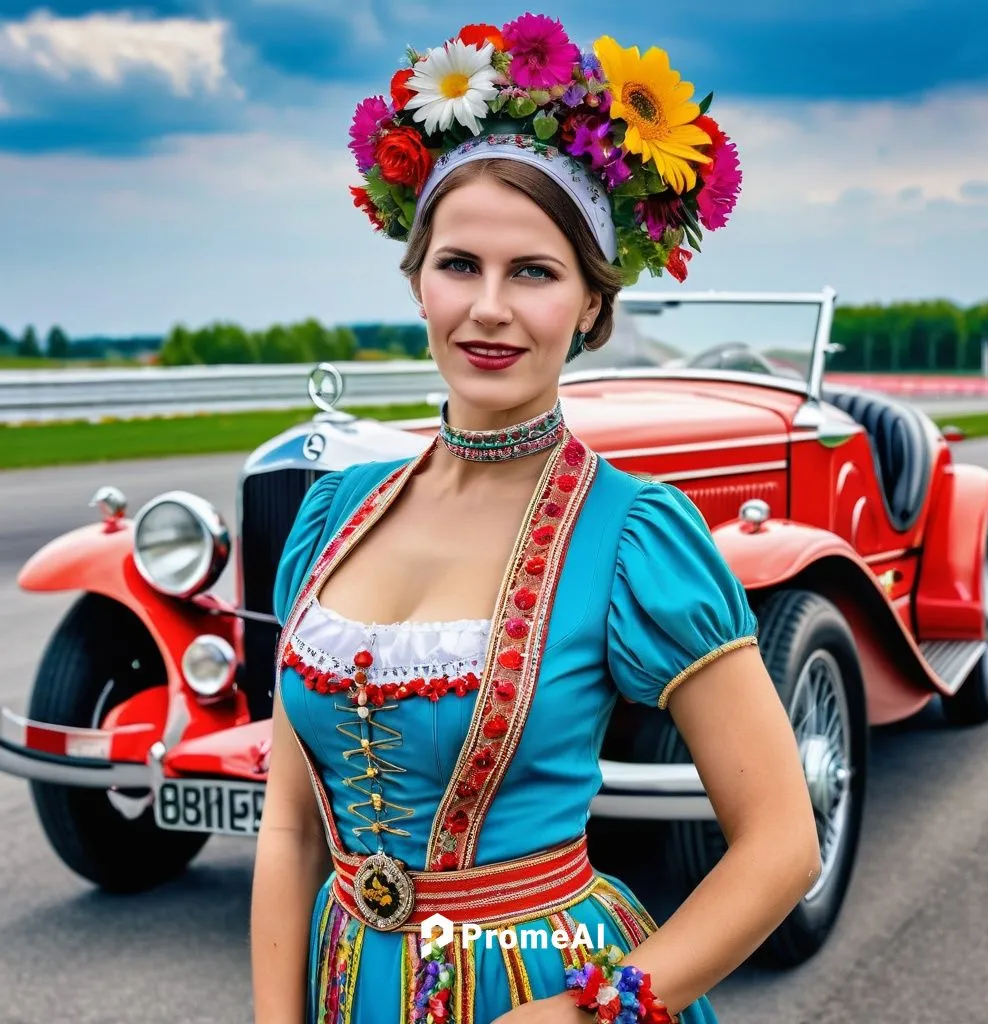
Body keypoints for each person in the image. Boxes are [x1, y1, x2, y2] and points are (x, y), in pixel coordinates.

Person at [251, 15, 820, 1024]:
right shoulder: (331, 515)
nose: (489, 309)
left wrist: (587, 1010)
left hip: (543, 986)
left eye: (534, 273)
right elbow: (293, 827)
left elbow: (781, 843)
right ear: (416, 282)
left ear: (592, 309)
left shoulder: (633, 534)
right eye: (459, 265)